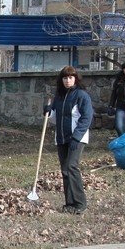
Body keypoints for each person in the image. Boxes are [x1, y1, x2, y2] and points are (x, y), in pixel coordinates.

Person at [45, 66, 94, 215]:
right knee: (65, 170)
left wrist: (77, 136)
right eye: (65, 78)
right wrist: (47, 112)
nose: (67, 81)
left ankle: (80, 203)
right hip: (61, 137)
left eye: (70, 78)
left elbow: (87, 118)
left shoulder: (81, 95)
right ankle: (70, 203)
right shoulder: (59, 97)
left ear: (75, 79)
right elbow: (54, 119)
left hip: (76, 138)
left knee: (71, 167)